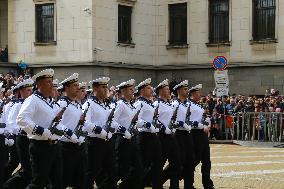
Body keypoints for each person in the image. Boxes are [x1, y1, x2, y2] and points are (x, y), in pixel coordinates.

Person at [17, 69, 63, 189]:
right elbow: (22, 119)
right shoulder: (32, 99)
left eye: (51, 81)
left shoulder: (49, 101)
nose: (51, 84)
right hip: (40, 146)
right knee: (38, 182)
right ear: (39, 85)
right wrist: (41, 130)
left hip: (54, 145)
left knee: (56, 181)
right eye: (48, 82)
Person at [82, 77, 118, 189]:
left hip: (107, 143)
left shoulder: (105, 105)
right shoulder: (89, 104)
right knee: (90, 174)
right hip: (94, 143)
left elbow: (110, 122)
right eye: (103, 87)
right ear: (95, 89)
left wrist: (114, 128)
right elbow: (84, 123)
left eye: (106, 87)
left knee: (113, 174)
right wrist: (99, 130)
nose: (106, 89)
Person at [57, 73, 86, 189]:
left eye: (78, 85)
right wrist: (70, 134)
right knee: (65, 178)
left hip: (79, 146)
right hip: (66, 146)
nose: (78, 88)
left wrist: (82, 136)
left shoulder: (77, 105)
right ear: (67, 88)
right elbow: (56, 123)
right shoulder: (62, 103)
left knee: (80, 178)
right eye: (75, 85)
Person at [3, 79, 34, 189]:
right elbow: (11, 123)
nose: (31, 92)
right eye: (28, 90)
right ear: (21, 92)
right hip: (20, 137)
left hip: (30, 138)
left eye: (31, 90)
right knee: (17, 163)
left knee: (27, 166)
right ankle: (6, 183)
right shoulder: (17, 105)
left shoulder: (30, 103)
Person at [134, 78, 163, 189]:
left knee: (157, 162)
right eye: (148, 88)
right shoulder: (139, 103)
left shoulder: (150, 103)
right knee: (144, 164)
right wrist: (147, 125)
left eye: (151, 87)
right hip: (144, 136)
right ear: (142, 90)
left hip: (153, 136)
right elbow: (136, 120)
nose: (151, 89)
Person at [154, 79, 181, 189]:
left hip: (171, 136)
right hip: (161, 136)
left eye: (168, 89)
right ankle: (157, 185)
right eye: (166, 89)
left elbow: (172, 118)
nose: (169, 90)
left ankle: (174, 185)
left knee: (176, 162)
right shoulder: (156, 103)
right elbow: (154, 120)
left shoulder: (170, 103)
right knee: (159, 163)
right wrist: (163, 128)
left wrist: (174, 125)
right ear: (160, 91)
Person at [189, 84, 215, 189]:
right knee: (194, 160)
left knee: (206, 161)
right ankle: (186, 181)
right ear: (193, 94)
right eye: (198, 93)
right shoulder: (189, 105)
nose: (200, 95)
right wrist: (201, 126)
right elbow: (189, 120)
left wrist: (207, 124)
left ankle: (207, 184)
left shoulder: (199, 105)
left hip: (202, 135)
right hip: (194, 134)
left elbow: (202, 118)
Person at [171, 80, 193, 189]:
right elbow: (170, 120)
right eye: (185, 89)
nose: (187, 90)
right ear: (178, 91)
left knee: (189, 161)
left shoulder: (186, 104)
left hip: (186, 134)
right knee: (178, 162)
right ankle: (174, 186)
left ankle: (188, 185)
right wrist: (180, 124)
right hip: (178, 134)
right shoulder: (175, 103)